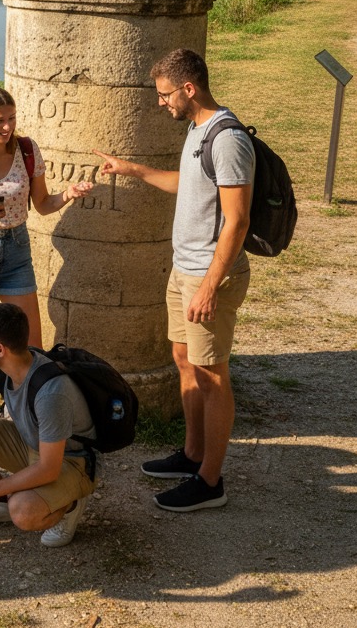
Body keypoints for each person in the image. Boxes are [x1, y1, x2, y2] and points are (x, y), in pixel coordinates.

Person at [95, 48, 253, 512]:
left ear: (189, 89)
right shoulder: (197, 130)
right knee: (185, 361)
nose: (161, 103)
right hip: (183, 270)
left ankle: (210, 482)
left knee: (212, 374)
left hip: (209, 276)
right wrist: (133, 170)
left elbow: (237, 221)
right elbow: (190, 184)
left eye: (165, 94)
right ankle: (192, 454)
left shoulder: (228, 139)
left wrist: (208, 285)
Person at [0, 87, 93, 399]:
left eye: (11, 118)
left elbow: (43, 203)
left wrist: (69, 195)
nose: (7, 127)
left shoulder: (26, 150)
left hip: (16, 250)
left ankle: (24, 406)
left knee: (28, 341)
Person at [0, 302, 96, 548]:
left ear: (0, 349)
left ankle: (70, 505)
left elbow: (48, 468)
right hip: (31, 444)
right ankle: (0, 503)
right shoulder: (1, 366)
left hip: (70, 461)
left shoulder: (51, 393)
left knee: (23, 512)